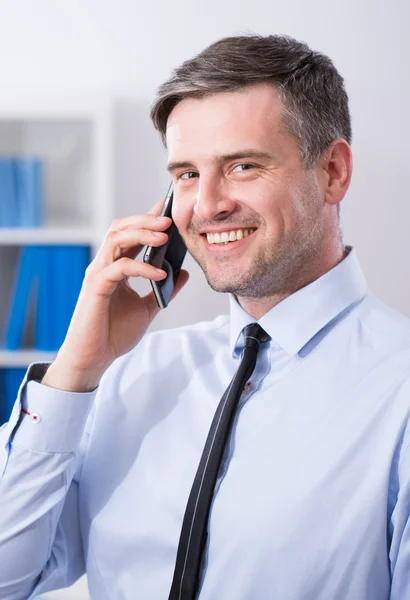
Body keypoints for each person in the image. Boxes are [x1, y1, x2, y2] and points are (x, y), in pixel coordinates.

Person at [1, 33, 410, 600]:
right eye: (186, 174)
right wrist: (75, 370)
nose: (207, 204)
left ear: (334, 171)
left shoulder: (400, 390)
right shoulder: (130, 376)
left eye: (242, 165)